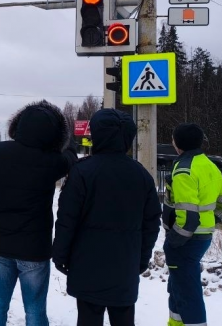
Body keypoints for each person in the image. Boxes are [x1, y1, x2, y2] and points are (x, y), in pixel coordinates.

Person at [52, 109, 161, 326]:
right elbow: (151, 224)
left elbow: (67, 219)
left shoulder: (82, 172)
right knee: (123, 317)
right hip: (125, 265)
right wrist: (141, 258)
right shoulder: (141, 175)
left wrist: (60, 255)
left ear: (97, 136)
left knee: (88, 318)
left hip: (86, 263)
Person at [0, 100, 77, 326]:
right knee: (34, 309)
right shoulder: (51, 161)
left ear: (17, 125)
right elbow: (71, 160)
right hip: (34, 247)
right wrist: (67, 140)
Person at [163, 123, 222, 326]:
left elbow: (188, 217)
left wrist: (174, 241)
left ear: (177, 143)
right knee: (178, 286)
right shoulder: (208, 164)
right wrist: (211, 220)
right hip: (200, 237)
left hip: (186, 240)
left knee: (187, 292)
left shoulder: (184, 170)